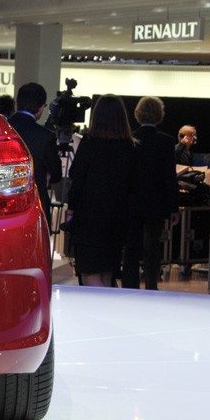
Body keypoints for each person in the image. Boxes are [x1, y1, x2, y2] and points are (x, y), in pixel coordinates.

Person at [66, 95, 138, 287]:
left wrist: (71, 209)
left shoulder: (89, 144)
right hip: (118, 219)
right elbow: (133, 185)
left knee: (89, 272)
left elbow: (77, 179)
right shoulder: (129, 147)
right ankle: (108, 304)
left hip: (89, 218)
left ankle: (98, 306)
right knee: (107, 273)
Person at [122, 96, 179, 290]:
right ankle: (152, 286)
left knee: (131, 247)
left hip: (132, 202)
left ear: (137, 114)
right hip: (157, 202)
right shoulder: (167, 142)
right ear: (159, 115)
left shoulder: (129, 139)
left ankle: (130, 286)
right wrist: (174, 207)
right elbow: (169, 177)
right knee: (153, 247)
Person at [7, 82, 62, 232]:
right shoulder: (46, 137)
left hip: (3, 206)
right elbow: (57, 174)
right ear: (41, 107)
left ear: (17, 103)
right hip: (35, 205)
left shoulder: (1, 129)